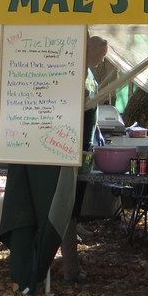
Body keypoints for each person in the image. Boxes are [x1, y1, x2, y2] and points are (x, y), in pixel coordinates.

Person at [61, 34, 108, 282]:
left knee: (78, 196)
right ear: (88, 51)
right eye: (100, 56)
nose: (102, 61)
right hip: (68, 144)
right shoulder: (72, 72)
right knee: (69, 200)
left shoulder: (90, 75)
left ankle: (73, 228)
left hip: (86, 144)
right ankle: (70, 265)